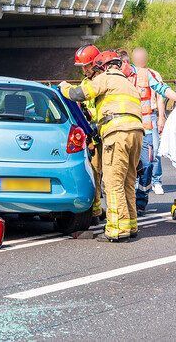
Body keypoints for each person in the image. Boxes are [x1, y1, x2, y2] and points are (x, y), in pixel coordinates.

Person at [59, 51, 144, 241]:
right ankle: (131, 226)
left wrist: (64, 87)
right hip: (136, 134)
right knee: (128, 182)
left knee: (113, 183)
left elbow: (78, 94)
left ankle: (116, 230)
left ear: (103, 67)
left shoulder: (106, 78)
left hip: (117, 133)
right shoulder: (129, 84)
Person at [117, 49, 176, 214]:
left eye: (122, 64)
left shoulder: (145, 75)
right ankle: (125, 203)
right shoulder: (116, 78)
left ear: (127, 62)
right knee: (124, 167)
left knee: (147, 165)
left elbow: (161, 89)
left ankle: (140, 202)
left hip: (144, 128)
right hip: (123, 129)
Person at [73, 44, 104, 222]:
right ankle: (95, 211)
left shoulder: (105, 81)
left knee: (113, 176)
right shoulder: (86, 84)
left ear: (96, 64)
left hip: (107, 131)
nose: (84, 70)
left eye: (86, 66)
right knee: (94, 173)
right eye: (82, 67)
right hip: (94, 135)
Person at [132, 47, 166, 195]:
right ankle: (138, 180)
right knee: (137, 152)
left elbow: (160, 98)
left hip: (150, 115)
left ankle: (156, 180)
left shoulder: (153, 74)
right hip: (135, 116)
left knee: (156, 150)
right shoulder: (130, 75)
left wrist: (161, 118)